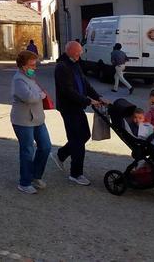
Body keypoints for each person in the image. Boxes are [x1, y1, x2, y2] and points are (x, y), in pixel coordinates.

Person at [51, 41, 105, 186]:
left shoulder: (75, 64)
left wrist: (97, 97)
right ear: (69, 51)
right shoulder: (62, 67)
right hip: (69, 108)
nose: (80, 54)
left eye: (80, 52)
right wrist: (87, 101)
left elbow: (85, 84)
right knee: (77, 140)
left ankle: (61, 154)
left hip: (77, 107)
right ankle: (76, 174)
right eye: (77, 52)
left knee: (84, 135)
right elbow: (68, 91)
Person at [11, 50, 52, 194]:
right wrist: (41, 95)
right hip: (23, 121)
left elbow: (35, 94)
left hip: (38, 119)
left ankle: (36, 176)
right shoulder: (18, 80)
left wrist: (40, 94)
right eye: (31, 65)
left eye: (35, 65)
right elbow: (28, 97)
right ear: (23, 66)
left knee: (46, 146)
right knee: (27, 150)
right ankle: (25, 182)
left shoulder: (31, 77)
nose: (34, 68)